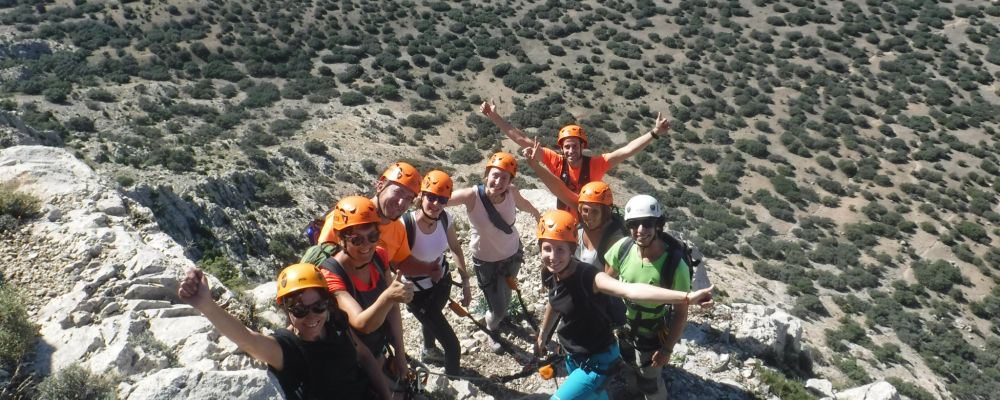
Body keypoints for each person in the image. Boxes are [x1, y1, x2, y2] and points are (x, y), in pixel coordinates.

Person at [533, 210, 713, 400]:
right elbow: (555, 301)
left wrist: (686, 297)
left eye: (560, 249)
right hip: (573, 355)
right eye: (547, 248)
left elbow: (631, 290)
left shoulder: (589, 277)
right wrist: (543, 335)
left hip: (598, 362)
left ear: (572, 249)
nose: (553, 256)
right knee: (594, 396)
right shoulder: (551, 272)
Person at [177, 263, 392, 399]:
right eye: (299, 310)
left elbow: (364, 356)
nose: (311, 317)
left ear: (327, 303)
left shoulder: (335, 323)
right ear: (286, 310)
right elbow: (248, 341)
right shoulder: (287, 348)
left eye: (318, 307)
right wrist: (206, 305)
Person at [480, 99, 670, 211]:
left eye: (574, 146)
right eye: (566, 147)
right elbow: (520, 138)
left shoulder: (597, 164)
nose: (570, 151)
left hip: (590, 219)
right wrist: (494, 116)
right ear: (562, 148)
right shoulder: (555, 160)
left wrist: (654, 133)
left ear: (582, 146)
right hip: (566, 221)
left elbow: (627, 150)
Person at [318, 196, 414, 392]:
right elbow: (363, 324)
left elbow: (393, 309)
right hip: (352, 360)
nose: (366, 246)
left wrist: (401, 355)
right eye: (357, 240)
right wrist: (388, 296)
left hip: (378, 349)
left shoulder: (379, 255)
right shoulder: (330, 273)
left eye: (372, 236)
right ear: (340, 238)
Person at [446, 151, 540, 351]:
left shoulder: (511, 192)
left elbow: (526, 206)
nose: (498, 182)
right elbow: (440, 199)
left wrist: (538, 215)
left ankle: (502, 318)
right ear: (486, 175)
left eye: (504, 178)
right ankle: (492, 327)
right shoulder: (472, 196)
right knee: (497, 307)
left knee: (507, 294)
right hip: (486, 262)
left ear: (510, 181)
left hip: (513, 254)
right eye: (495, 175)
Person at [604, 195, 695, 399]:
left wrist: (667, 349)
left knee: (650, 380)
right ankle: (633, 393)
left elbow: (681, 312)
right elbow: (606, 280)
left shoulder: (674, 266)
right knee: (628, 364)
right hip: (624, 327)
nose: (641, 230)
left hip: (652, 332)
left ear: (658, 225)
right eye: (634, 224)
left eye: (648, 223)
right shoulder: (623, 248)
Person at [400, 170, 472, 375]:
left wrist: (465, 281)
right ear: (421, 196)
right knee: (452, 345)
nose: (436, 204)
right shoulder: (406, 225)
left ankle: (428, 350)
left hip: (442, 283)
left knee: (433, 319)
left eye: (442, 199)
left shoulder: (445, 219)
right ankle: (453, 386)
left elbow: (456, 249)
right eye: (431, 197)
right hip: (418, 294)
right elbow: (396, 263)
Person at [315, 162, 441, 277]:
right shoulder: (347, 215)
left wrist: (428, 268)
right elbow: (323, 260)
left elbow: (402, 261)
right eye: (398, 192)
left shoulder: (398, 229)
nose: (401, 202)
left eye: (409, 198)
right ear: (380, 185)